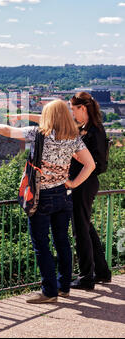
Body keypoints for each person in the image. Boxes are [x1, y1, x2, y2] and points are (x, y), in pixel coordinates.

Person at [0, 100, 96, 304]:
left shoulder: (39, 134)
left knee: (41, 244)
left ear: (48, 116)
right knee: (62, 242)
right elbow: (90, 164)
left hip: (40, 196)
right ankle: (64, 286)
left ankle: (49, 292)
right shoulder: (73, 138)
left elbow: (9, 131)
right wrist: (72, 183)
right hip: (63, 196)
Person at [69, 92, 111, 290]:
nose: (72, 113)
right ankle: (102, 272)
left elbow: (95, 163)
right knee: (86, 227)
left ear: (82, 108)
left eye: (73, 109)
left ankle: (86, 277)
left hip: (83, 183)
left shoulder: (93, 131)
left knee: (80, 230)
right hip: (85, 183)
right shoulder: (92, 129)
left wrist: (73, 155)